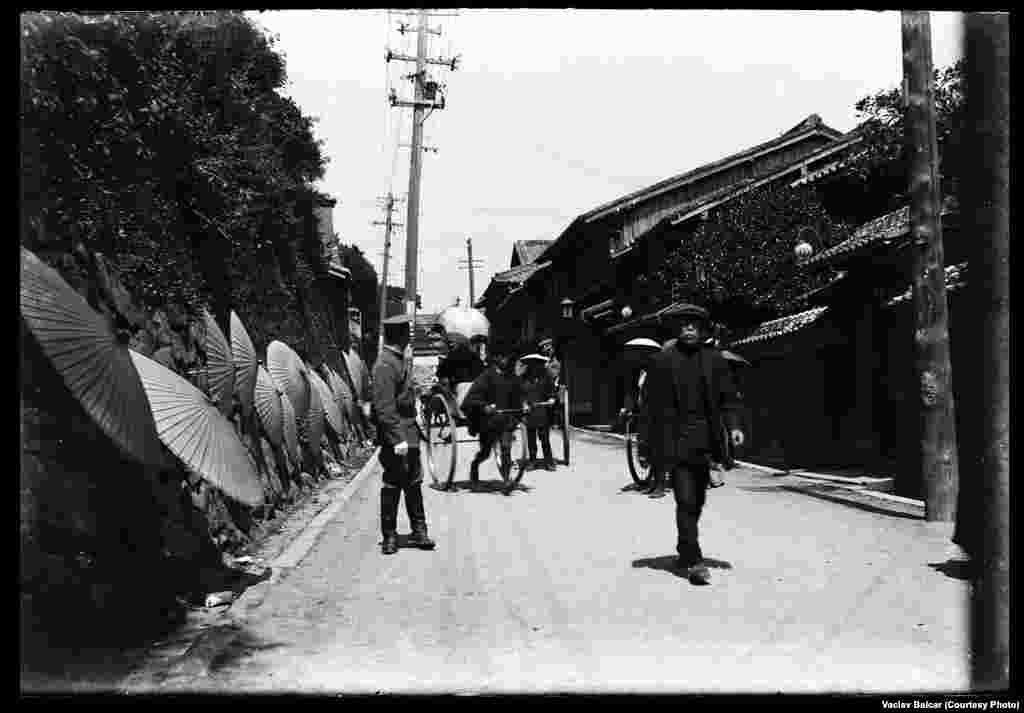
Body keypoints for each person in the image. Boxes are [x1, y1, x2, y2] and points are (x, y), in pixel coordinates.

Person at [642, 304, 744, 586]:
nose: (688, 330)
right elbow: (649, 406)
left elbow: (729, 398)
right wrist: (646, 444)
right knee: (685, 499)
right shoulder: (662, 361)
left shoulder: (714, 360)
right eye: (684, 326)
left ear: (701, 330)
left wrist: (734, 426)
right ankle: (694, 560)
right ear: (678, 330)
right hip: (674, 439)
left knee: (696, 500)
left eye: (694, 326)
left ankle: (684, 546)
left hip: (705, 440)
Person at [371, 314, 435, 555]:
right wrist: (397, 439)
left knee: (414, 482)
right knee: (393, 483)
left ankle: (419, 531)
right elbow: (384, 408)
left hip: (409, 432)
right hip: (396, 436)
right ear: (398, 336)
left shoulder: (398, 360)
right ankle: (389, 536)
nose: (409, 339)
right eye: (406, 334)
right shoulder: (385, 365)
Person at [461, 342, 528, 487]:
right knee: (485, 453)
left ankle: (506, 479)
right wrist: (484, 407)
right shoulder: (486, 376)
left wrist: (524, 404)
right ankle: (475, 464)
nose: (506, 360)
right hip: (488, 422)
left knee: (506, 448)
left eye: (507, 357)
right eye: (503, 358)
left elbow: (519, 394)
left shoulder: (511, 376)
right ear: (496, 359)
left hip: (506, 419)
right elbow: (471, 399)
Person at [618, 338, 662, 494]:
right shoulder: (638, 373)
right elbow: (632, 392)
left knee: (657, 446)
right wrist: (627, 408)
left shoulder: (659, 371)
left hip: (659, 413)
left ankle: (659, 484)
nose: (641, 358)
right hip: (644, 412)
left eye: (644, 355)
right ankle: (650, 475)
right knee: (644, 443)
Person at [521, 357, 557, 471]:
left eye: (537, 365)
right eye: (532, 365)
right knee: (531, 439)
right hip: (529, 412)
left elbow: (552, 392)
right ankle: (532, 461)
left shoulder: (546, 378)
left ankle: (549, 461)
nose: (534, 367)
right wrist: (523, 403)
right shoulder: (523, 379)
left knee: (544, 439)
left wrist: (551, 398)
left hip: (542, 411)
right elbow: (519, 394)